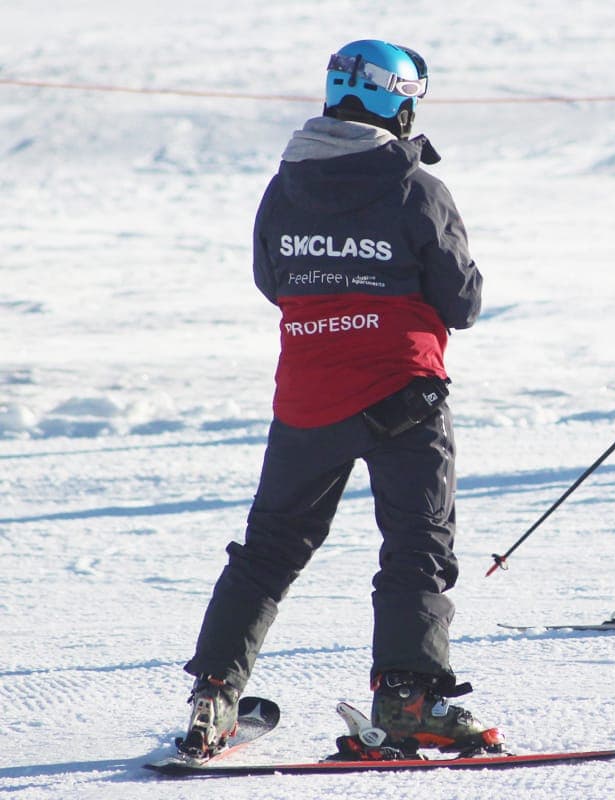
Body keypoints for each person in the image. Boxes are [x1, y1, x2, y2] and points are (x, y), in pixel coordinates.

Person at [178, 39, 503, 759]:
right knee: (417, 547)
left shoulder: (284, 185)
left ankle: (213, 697)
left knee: (268, 550)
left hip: (308, 395)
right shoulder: (417, 189)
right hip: (403, 394)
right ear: (401, 103)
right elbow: (462, 301)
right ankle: (408, 702)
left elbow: (272, 281)